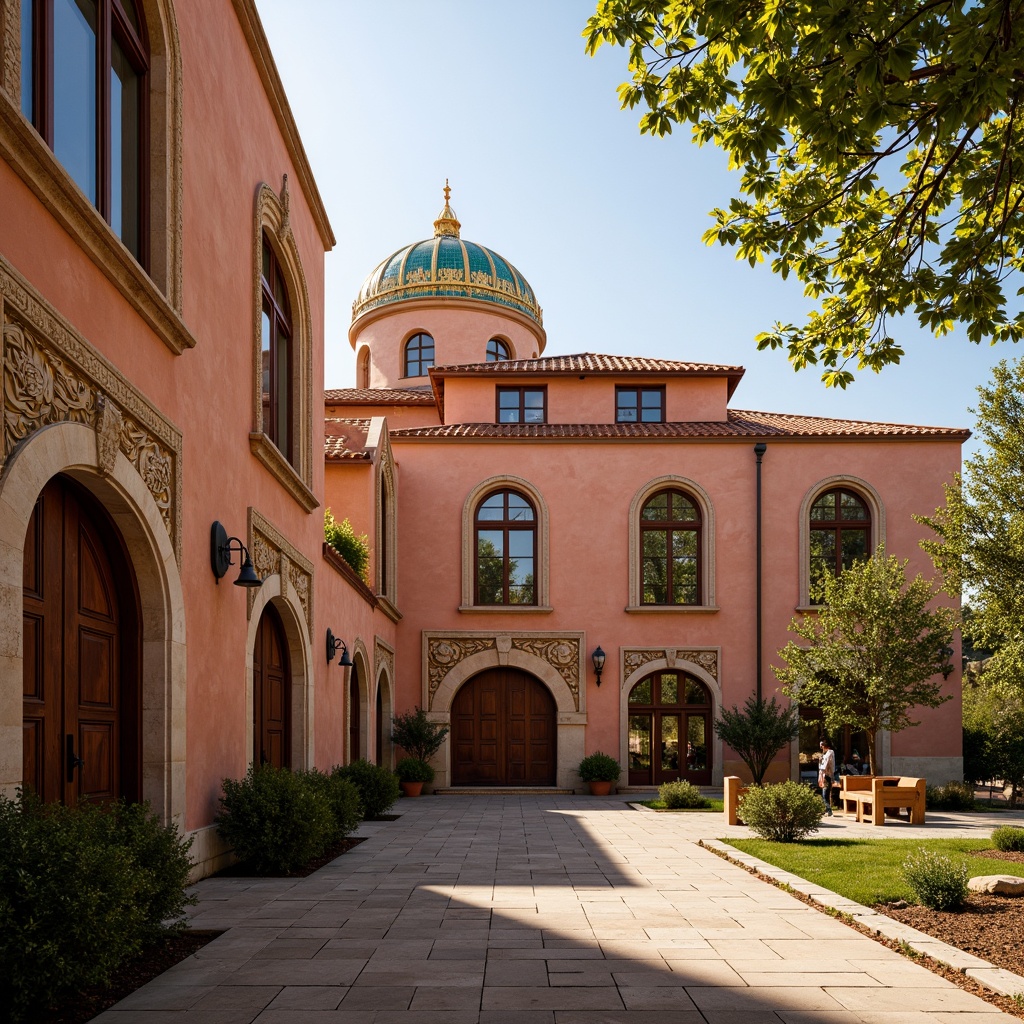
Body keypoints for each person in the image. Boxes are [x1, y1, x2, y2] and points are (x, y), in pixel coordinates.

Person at [818, 738, 836, 816]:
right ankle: (825, 809)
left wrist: (821, 763)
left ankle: (829, 810)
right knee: (824, 793)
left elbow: (825, 765)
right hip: (824, 775)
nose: (821, 747)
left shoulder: (830, 753)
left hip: (827, 775)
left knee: (825, 794)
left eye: (822, 745)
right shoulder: (825, 754)